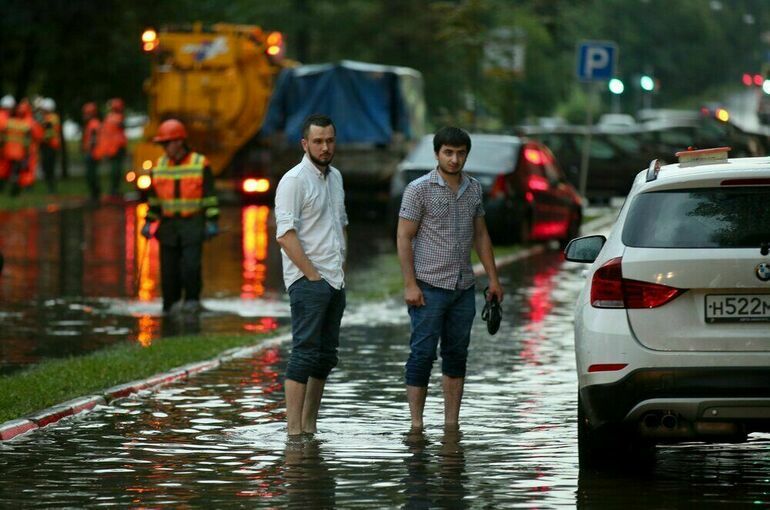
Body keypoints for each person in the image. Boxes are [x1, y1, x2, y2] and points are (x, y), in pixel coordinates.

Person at [396, 126, 504, 432]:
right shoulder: (418, 189)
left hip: (463, 287)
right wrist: (409, 284)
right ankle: (416, 425)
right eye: (448, 152)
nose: (454, 159)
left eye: (460, 153)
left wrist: (493, 280)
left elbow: (481, 235)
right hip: (428, 286)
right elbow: (404, 237)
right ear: (437, 154)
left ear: (466, 154)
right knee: (422, 353)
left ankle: (451, 425)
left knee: (457, 355)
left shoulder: (473, 189)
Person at [274, 114, 348, 436]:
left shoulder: (336, 178)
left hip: (335, 279)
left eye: (330, 140)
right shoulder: (294, 180)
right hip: (308, 281)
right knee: (304, 353)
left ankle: (309, 427)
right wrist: (312, 277)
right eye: (318, 141)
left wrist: (340, 270)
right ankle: (293, 432)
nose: (325, 147)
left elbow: (341, 224)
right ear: (305, 144)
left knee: (325, 357)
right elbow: (285, 234)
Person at [141, 118, 220, 314]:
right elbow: (154, 201)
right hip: (168, 226)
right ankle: (170, 306)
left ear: (179, 141)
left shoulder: (200, 163)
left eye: (167, 143)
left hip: (193, 223)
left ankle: (192, 302)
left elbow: (209, 197)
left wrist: (211, 221)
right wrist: (149, 222)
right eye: (163, 144)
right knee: (168, 270)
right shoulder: (158, 167)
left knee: (191, 266)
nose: (165, 148)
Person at [99, 98, 127, 197]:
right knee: (117, 169)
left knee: (113, 169)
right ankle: (115, 189)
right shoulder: (119, 117)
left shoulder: (108, 118)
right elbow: (122, 127)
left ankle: (113, 189)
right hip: (118, 147)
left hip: (111, 148)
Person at [39, 98, 61, 194]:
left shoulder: (51, 118)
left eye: (43, 108)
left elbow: (48, 132)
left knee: (49, 168)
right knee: (45, 167)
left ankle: (52, 189)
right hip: (47, 145)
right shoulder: (47, 117)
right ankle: (50, 188)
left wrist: (43, 139)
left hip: (50, 146)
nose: (42, 110)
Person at [81, 102, 102, 201]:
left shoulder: (93, 124)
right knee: (91, 173)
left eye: (86, 113)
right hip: (91, 152)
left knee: (91, 174)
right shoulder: (92, 123)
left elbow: (94, 139)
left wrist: (91, 151)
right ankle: (95, 193)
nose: (85, 116)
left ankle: (95, 194)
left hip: (93, 153)